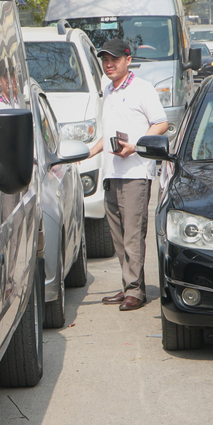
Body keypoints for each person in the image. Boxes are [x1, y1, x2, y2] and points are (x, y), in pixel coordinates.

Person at [87, 38, 168, 311]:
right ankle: (128, 286)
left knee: (133, 234)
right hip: (111, 172)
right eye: (105, 60)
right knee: (118, 235)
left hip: (135, 172)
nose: (109, 65)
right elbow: (106, 134)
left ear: (128, 59)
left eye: (114, 59)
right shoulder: (107, 89)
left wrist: (136, 146)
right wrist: (87, 153)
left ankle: (136, 291)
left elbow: (161, 123)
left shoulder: (142, 89)